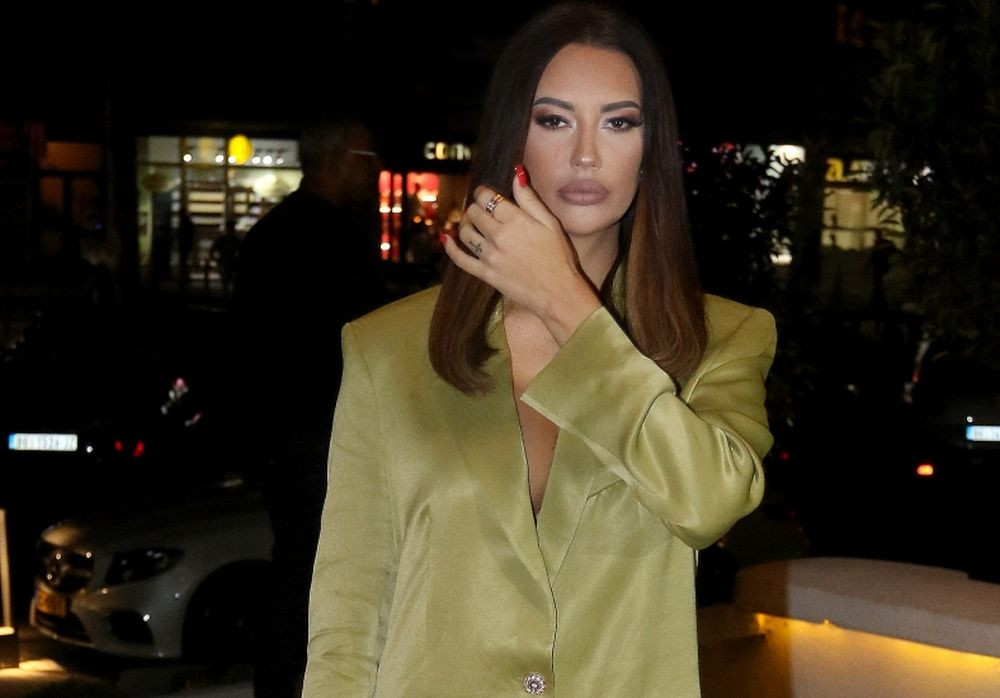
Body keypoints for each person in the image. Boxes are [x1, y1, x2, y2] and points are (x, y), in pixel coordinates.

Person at [303, 3, 776, 696]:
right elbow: (348, 618)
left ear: (651, 149)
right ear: (512, 137)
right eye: (554, 120)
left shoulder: (722, 339)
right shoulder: (387, 349)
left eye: (619, 123)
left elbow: (707, 504)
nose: (586, 154)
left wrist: (567, 305)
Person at [233, 115, 384, 698]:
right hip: (327, 436)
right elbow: (366, 345)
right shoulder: (338, 240)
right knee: (326, 572)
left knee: (296, 566)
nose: (373, 173)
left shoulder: (269, 235)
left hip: (283, 435)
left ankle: (280, 682)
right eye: (366, 160)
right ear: (335, 160)